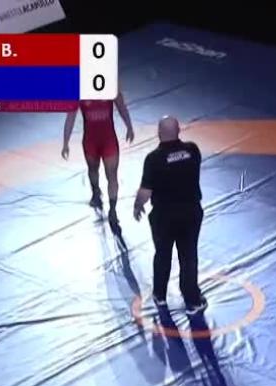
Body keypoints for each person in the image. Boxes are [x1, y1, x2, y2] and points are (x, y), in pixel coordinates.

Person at [134, 116, 207, 315]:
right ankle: (192, 301)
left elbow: (145, 192)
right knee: (188, 256)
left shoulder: (153, 159)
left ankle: (159, 294)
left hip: (164, 216)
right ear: (179, 130)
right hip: (190, 212)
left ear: (159, 133)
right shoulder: (193, 150)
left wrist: (137, 206)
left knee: (162, 254)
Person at [62, 91, 134, 224]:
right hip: (91, 142)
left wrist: (129, 126)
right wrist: (65, 142)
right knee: (93, 169)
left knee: (112, 175)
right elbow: (70, 117)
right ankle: (96, 192)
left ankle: (113, 209)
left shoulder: (110, 88)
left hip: (108, 141)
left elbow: (121, 106)